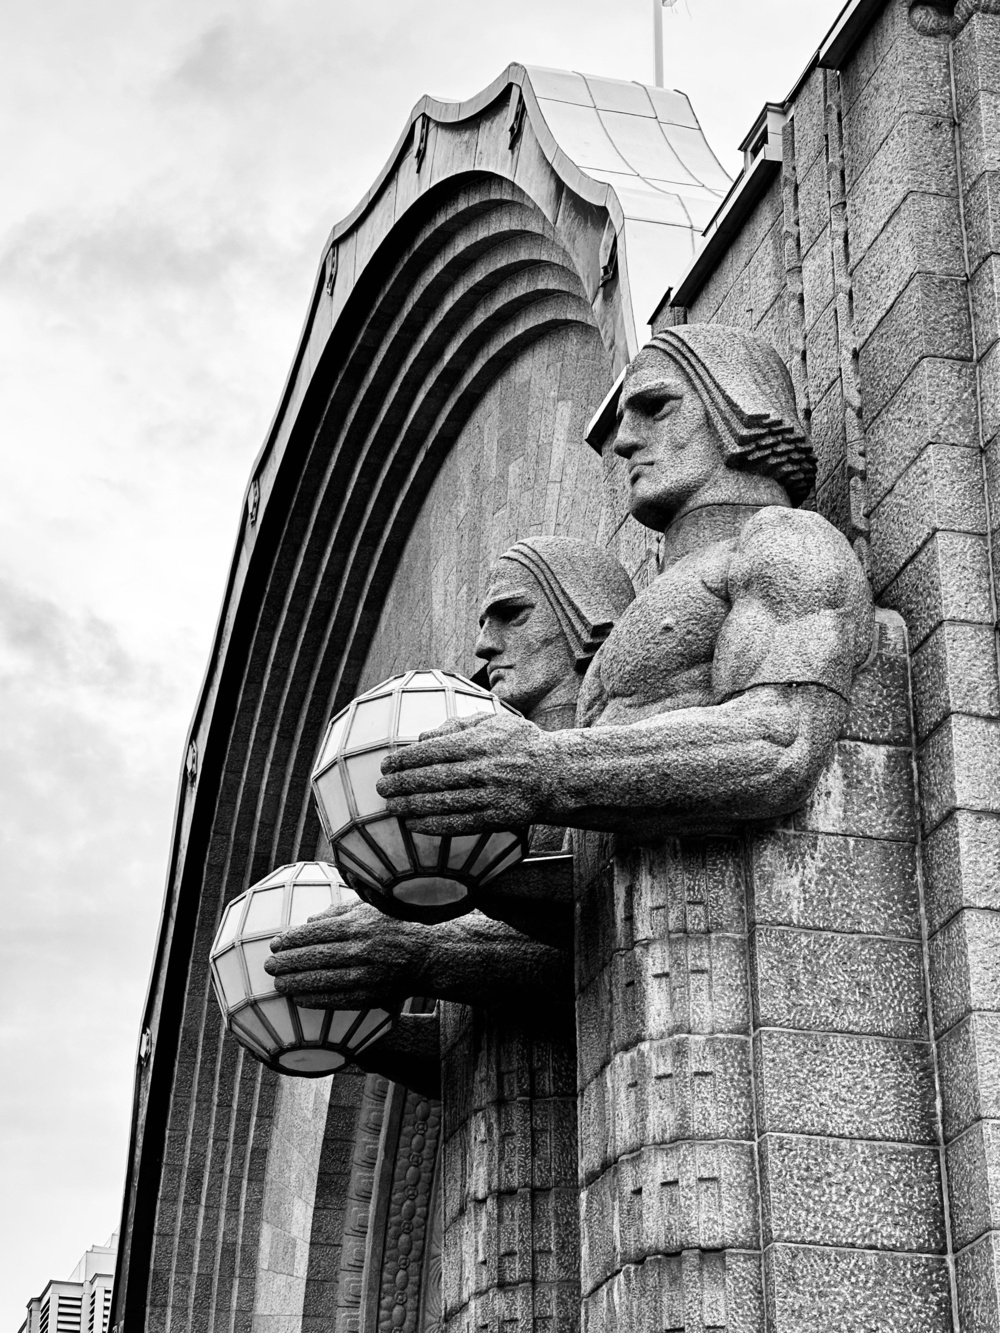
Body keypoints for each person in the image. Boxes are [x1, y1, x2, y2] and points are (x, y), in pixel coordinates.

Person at [374, 326, 873, 842]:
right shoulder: (645, 613)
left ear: (737, 406)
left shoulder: (784, 541)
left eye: (655, 406)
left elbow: (780, 744)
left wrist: (543, 768)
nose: (625, 441)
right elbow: (586, 862)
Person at [265, 536, 635, 1088]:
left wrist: (421, 949)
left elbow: (606, 930)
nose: (485, 646)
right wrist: (356, 1031)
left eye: (512, 615)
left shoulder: (609, 751)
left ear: (581, 612)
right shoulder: (473, 819)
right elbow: (462, 1049)